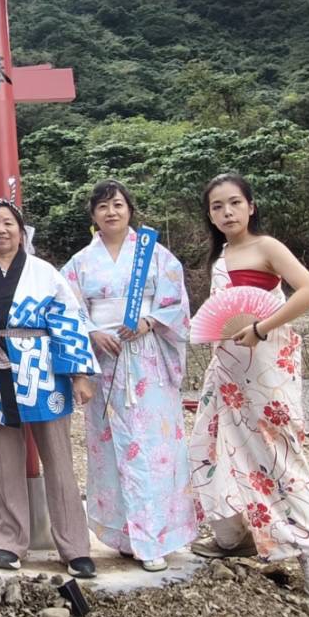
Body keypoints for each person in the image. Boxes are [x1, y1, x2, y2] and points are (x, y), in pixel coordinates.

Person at [188, 173, 309, 601]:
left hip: (268, 368)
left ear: (251, 206)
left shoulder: (267, 247)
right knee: (210, 448)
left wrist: (261, 326)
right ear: (210, 215)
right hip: (227, 372)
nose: (227, 212)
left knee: (280, 456)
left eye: (235, 203)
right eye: (217, 206)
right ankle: (233, 534)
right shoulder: (220, 258)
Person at [0, 199, 100, 577]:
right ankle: (10, 541)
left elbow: (69, 320)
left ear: (21, 230)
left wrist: (79, 373)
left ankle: (74, 546)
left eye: (8, 223)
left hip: (43, 372)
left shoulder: (45, 273)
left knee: (59, 460)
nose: (1, 230)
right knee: (6, 461)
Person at [61, 180, 197, 571]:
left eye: (118, 204)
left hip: (148, 360)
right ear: (93, 215)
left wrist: (149, 321)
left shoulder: (155, 255)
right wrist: (91, 332)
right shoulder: (79, 264)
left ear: (130, 210)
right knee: (109, 447)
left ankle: (154, 538)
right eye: (103, 206)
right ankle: (123, 534)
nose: (111, 212)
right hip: (104, 362)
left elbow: (176, 303)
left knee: (153, 446)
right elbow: (67, 308)